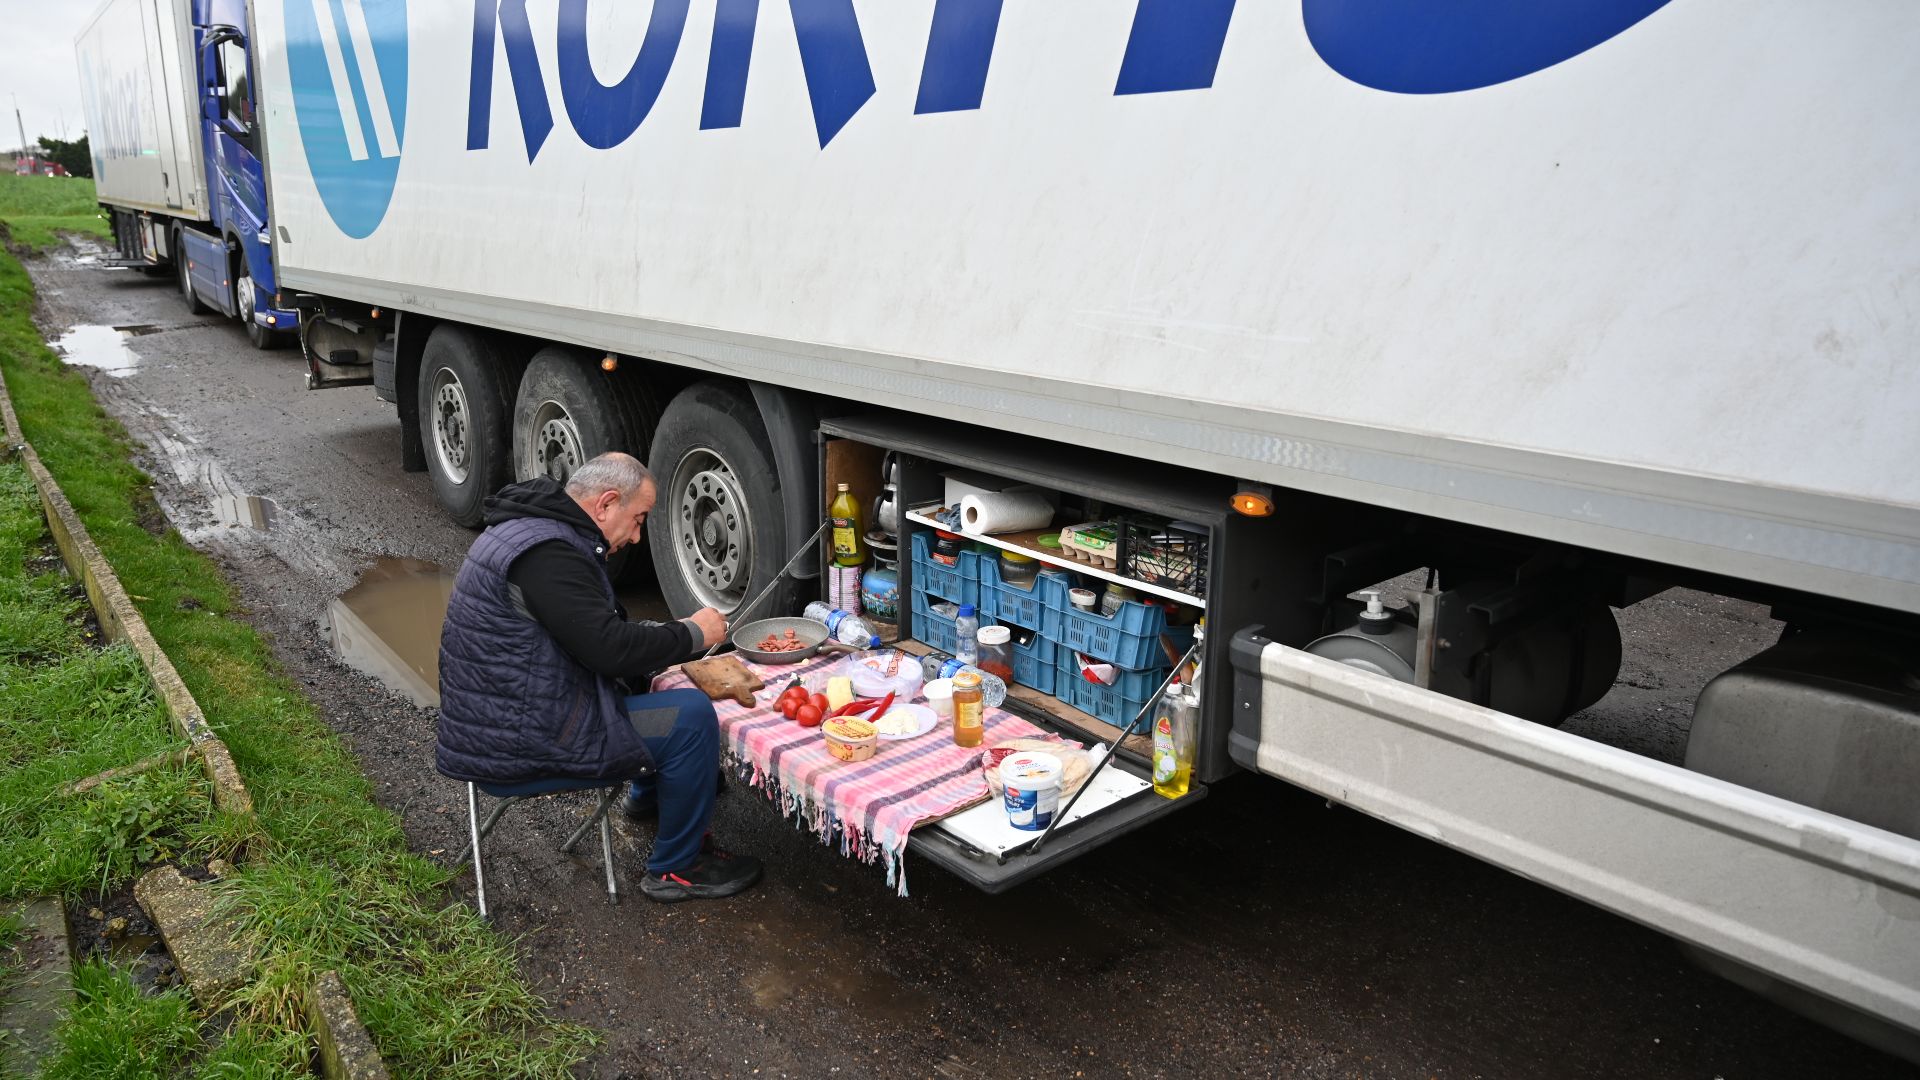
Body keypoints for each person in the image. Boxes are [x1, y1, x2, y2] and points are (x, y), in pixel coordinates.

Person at [435, 452, 762, 902]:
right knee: (689, 717)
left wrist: (654, 642)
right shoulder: (549, 555)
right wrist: (691, 633)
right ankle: (678, 868)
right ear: (606, 504)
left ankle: (649, 796)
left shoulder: (533, 531)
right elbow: (607, 650)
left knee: (650, 675)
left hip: (506, 719)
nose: (636, 535)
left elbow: (591, 634)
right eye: (638, 518)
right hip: (516, 743)